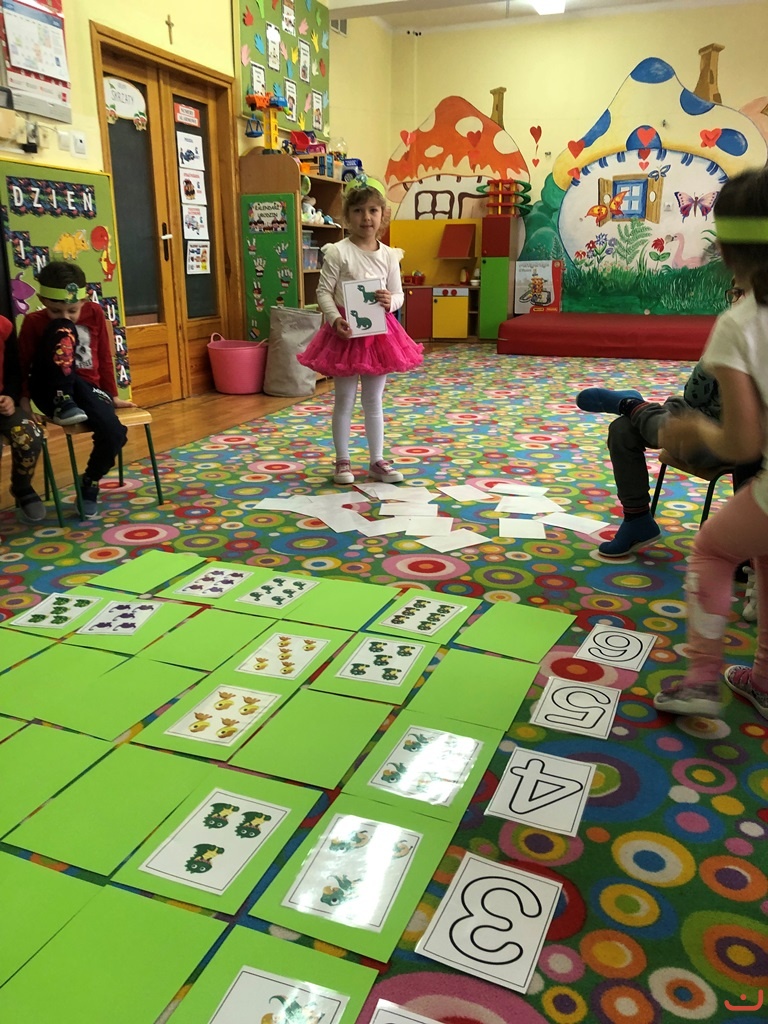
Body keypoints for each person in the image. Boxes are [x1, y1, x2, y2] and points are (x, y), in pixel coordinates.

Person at [649, 166, 768, 721]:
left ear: (727, 249)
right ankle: (762, 680)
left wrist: (695, 429)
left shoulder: (740, 323)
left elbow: (742, 441)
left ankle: (700, 680)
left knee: (714, 551)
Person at [297, 174, 423, 485]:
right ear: (347, 215)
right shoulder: (338, 252)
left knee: (373, 400)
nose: (366, 217)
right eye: (358, 211)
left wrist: (390, 301)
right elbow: (323, 292)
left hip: (379, 334)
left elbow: (399, 294)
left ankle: (377, 460)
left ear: (382, 215)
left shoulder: (389, 255)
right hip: (345, 332)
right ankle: (342, 461)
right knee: (344, 400)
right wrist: (333, 319)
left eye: (372, 210)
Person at [18, 261, 133, 518]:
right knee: (63, 329)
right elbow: (23, 364)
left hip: (86, 390)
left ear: (84, 300)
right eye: (55, 310)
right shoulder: (33, 322)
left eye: (72, 310)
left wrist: (112, 395)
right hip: (48, 390)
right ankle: (63, 399)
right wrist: (24, 401)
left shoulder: (94, 313)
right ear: (43, 300)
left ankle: (90, 481)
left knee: (115, 432)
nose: (65, 316)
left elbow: (104, 356)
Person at [0, 315, 45, 523]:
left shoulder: (4, 326)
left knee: (30, 434)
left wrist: (10, 396)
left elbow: (14, 371)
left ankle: (22, 486)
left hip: (3, 407)